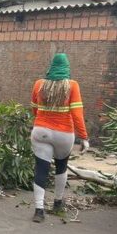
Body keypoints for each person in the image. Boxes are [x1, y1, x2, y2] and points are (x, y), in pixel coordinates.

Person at [30, 53, 89, 222]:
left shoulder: (39, 84)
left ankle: (39, 211)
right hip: (64, 134)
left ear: (51, 68)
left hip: (41, 131)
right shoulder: (72, 85)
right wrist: (83, 137)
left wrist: (41, 119)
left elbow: (34, 109)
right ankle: (57, 203)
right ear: (67, 69)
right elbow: (77, 114)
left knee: (41, 169)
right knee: (61, 167)